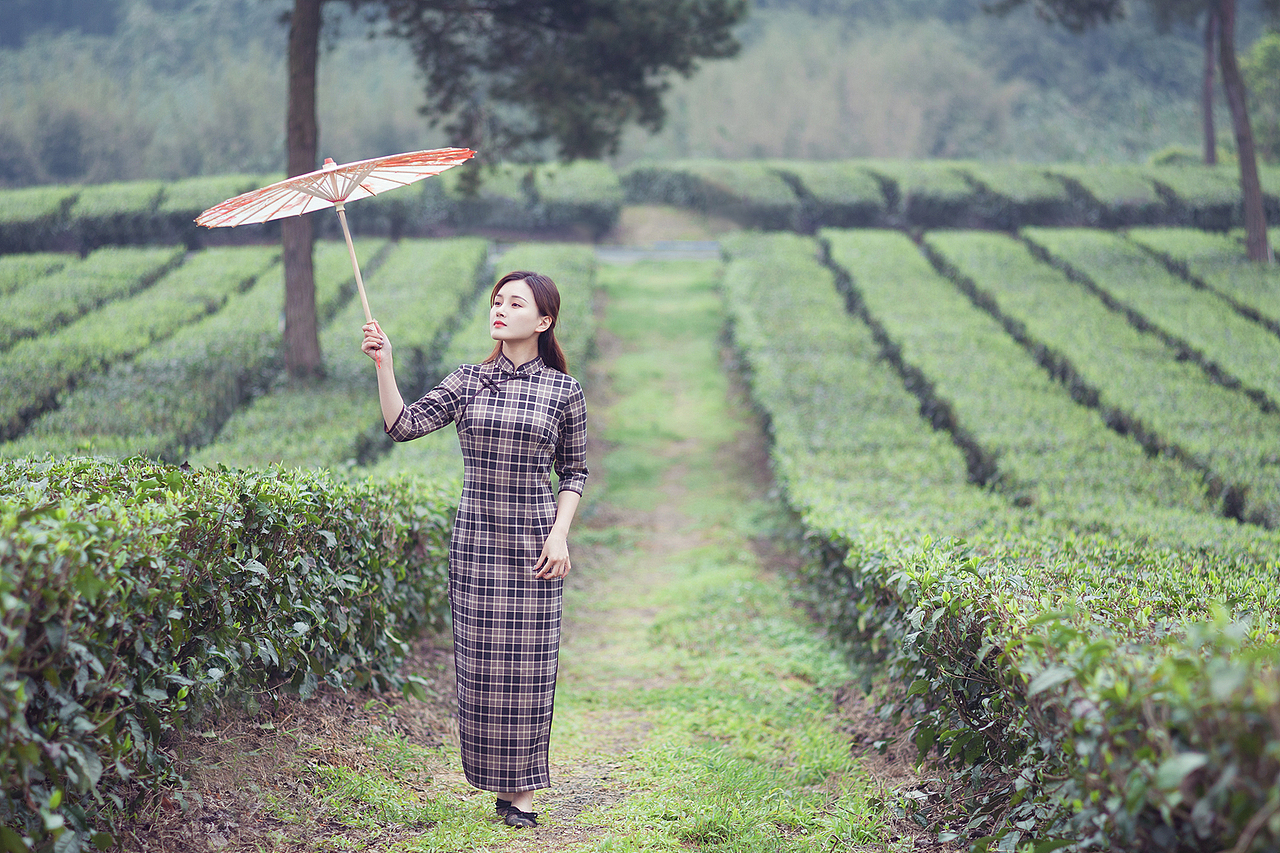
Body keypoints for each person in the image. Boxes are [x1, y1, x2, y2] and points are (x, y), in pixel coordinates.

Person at [361, 271, 588, 829]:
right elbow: (402, 425)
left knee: (530, 668)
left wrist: (560, 534)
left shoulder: (564, 391)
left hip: (537, 544)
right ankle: (499, 782)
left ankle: (524, 793)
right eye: (497, 301)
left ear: (544, 320)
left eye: (516, 303)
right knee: (485, 668)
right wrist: (385, 366)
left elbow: (575, 472)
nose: (501, 309)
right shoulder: (468, 381)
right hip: (477, 544)